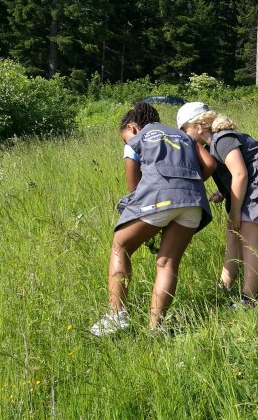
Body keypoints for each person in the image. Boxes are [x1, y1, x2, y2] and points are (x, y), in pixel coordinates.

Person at [90, 102, 216, 336]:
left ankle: (115, 317)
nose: (125, 142)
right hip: (194, 202)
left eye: (124, 138)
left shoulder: (139, 138)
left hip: (158, 197)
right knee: (167, 263)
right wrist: (188, 186)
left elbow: (134, 188)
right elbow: (209, 164)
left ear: (132, 127)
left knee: (121, 246)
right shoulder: (183, 134)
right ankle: (156, 328)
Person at [178, 102, 258, 308]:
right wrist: (223, 193)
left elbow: (240, 173)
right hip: (256, 183)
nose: (185, 137)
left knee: (248, 235)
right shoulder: (212, 145)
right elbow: (234, 174)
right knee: (233, 232)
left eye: (184, 131)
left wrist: (234, 212)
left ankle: (248, 298)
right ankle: (225, 284)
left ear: (197, 126)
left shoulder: (222, 139)